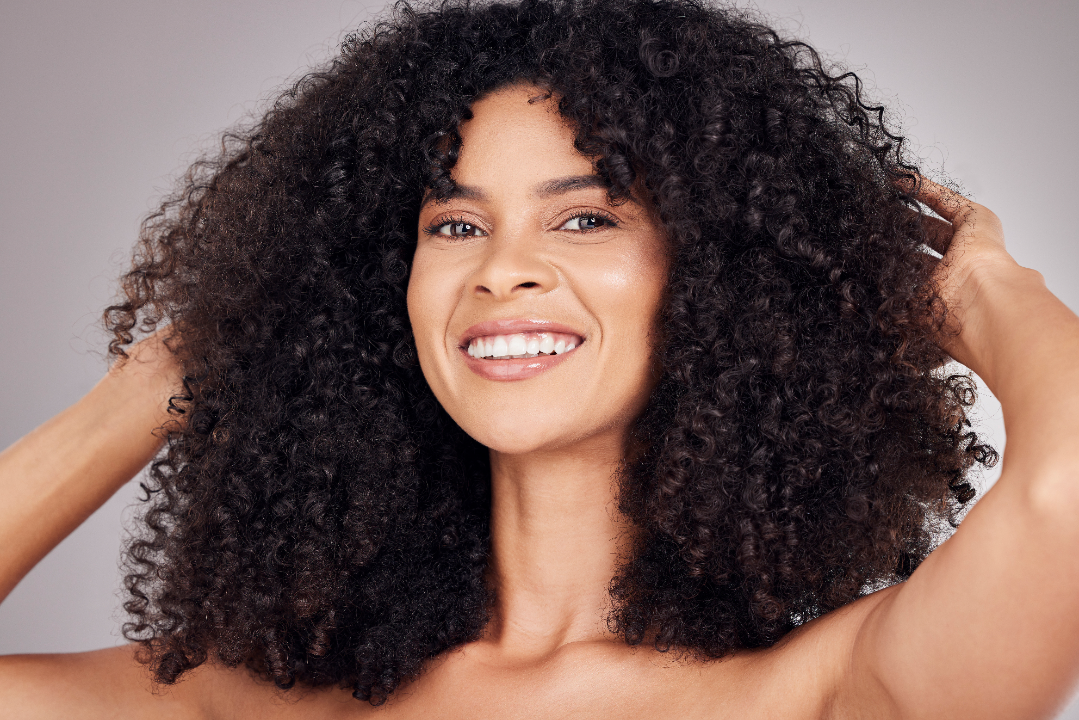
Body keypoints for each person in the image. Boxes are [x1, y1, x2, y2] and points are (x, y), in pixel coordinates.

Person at [1, 0, 1077, 716]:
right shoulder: (262, 699)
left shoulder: (836, 691)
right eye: (455, 227)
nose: (501, 270)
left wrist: (982, 292)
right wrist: (167, 377)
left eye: (584, 220)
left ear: (716, 283)